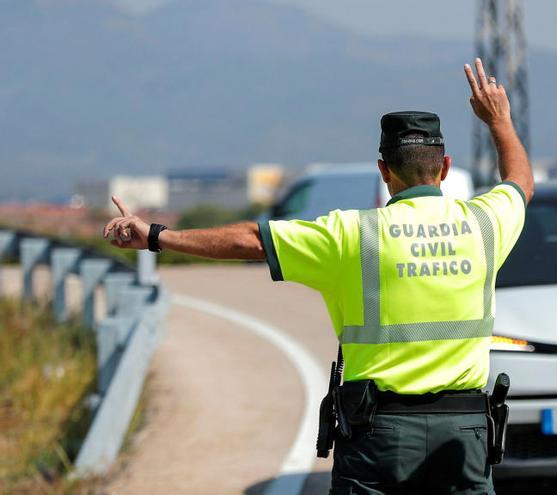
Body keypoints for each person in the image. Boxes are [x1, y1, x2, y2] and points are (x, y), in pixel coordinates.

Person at [103, 58, 533, 495]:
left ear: (384, 171)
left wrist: (157, 236)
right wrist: (499, 119)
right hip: (463, 433)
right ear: (444, 168)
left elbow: (252, 239)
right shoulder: (485, 223)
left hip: (378, 434)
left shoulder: (350, 233)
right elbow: (520, 182)